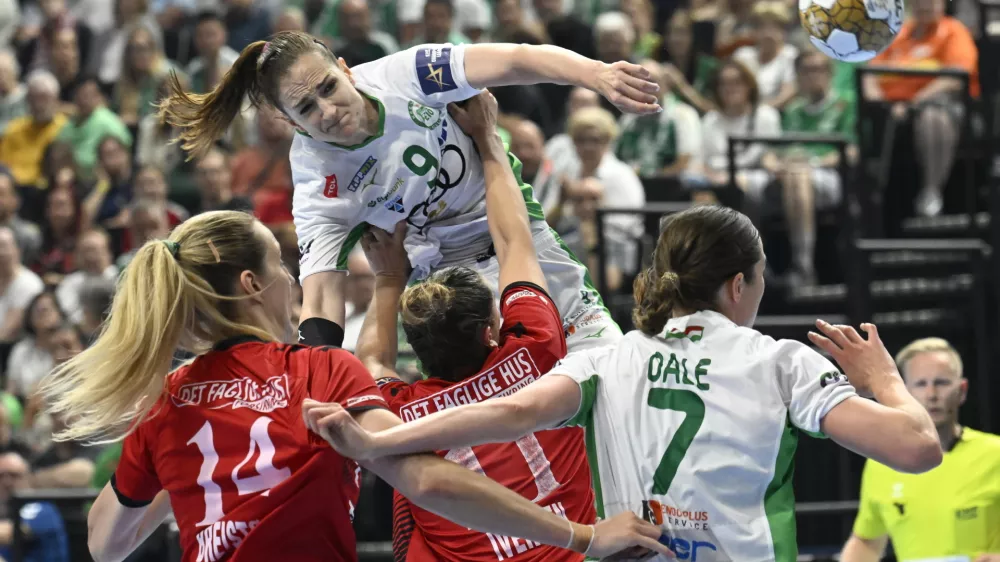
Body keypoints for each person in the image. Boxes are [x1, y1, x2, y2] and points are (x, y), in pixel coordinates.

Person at [311, 205, 945, 561]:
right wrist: (884, 379)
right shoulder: (778, 361)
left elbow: (509, 413)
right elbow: (917, 449)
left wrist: (381, 444)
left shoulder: (610, 360)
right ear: (737, 286)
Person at [38, 210, 670, 562]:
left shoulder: (166, 400)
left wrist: (189, 483)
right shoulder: (319, 374)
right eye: (279, 264)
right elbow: (425, 479)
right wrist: (584, 537)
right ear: (253, 285)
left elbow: (104, 543)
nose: (290, 278)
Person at [158, 30, 662, 356]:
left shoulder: (409, 75)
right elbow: (322, 298)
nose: (328, 111)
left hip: (522, 245)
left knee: (609, 371)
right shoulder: (318, 184)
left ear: (343, 67)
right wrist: (313, 373)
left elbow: (514, 60)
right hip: (449, 296)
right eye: (307, 109)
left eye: (329, 88)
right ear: (286, 121)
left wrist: (597, 74)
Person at [354, 91, 597, 562]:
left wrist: (388, 276)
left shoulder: (402, 414)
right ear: (492, 329)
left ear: (417, 350)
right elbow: (513, 241)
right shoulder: (534, 354)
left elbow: (372, 360)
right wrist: (488, 139)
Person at [840, 338, 1000, 562]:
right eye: (921, 384)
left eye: (942, 382)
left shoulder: (995, 454)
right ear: (904, 394)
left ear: (962, 390)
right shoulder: (881, 464)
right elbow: (866, 541)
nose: (931, 394)